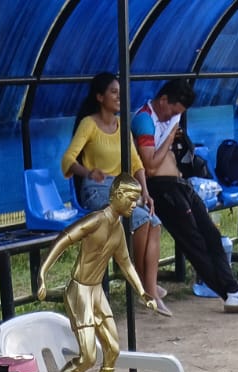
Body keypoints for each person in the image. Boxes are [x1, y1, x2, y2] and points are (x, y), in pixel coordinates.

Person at [133, 78, 238, 314]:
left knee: (211, 234)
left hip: (181, 185)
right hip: (162, 189)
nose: (174, 117)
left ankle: (234, 290)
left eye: (178, 114)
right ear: (163, 100)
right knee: (194, 242)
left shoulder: (172, 118)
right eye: (173, 111)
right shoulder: (144, 120)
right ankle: (228, 292)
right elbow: (150, 166)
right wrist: (170, 138)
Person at [34, 176, 158, 372]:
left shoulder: (118, 229)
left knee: (112, 350)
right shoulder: (96, 220)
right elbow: (64, 239)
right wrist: (42, 273)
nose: (135, 204)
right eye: (131, 199)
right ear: (118, 195)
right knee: (88, 358)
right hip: (79, 291)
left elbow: (126, 263)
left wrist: (143, 292)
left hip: (96, 291)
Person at [62, 72, 169, 316]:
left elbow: (136, 162)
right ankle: (143, 286)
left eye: (120, 92)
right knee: (141, 220)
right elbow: (68, 160)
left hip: (120, 191)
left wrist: (146, 192)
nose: (119, 97)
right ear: (100, 97)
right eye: (113, 92)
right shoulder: (89, 124)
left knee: (154, 222)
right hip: (96, 191)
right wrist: (88, 172)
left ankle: (148, 286)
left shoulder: (122, 126)